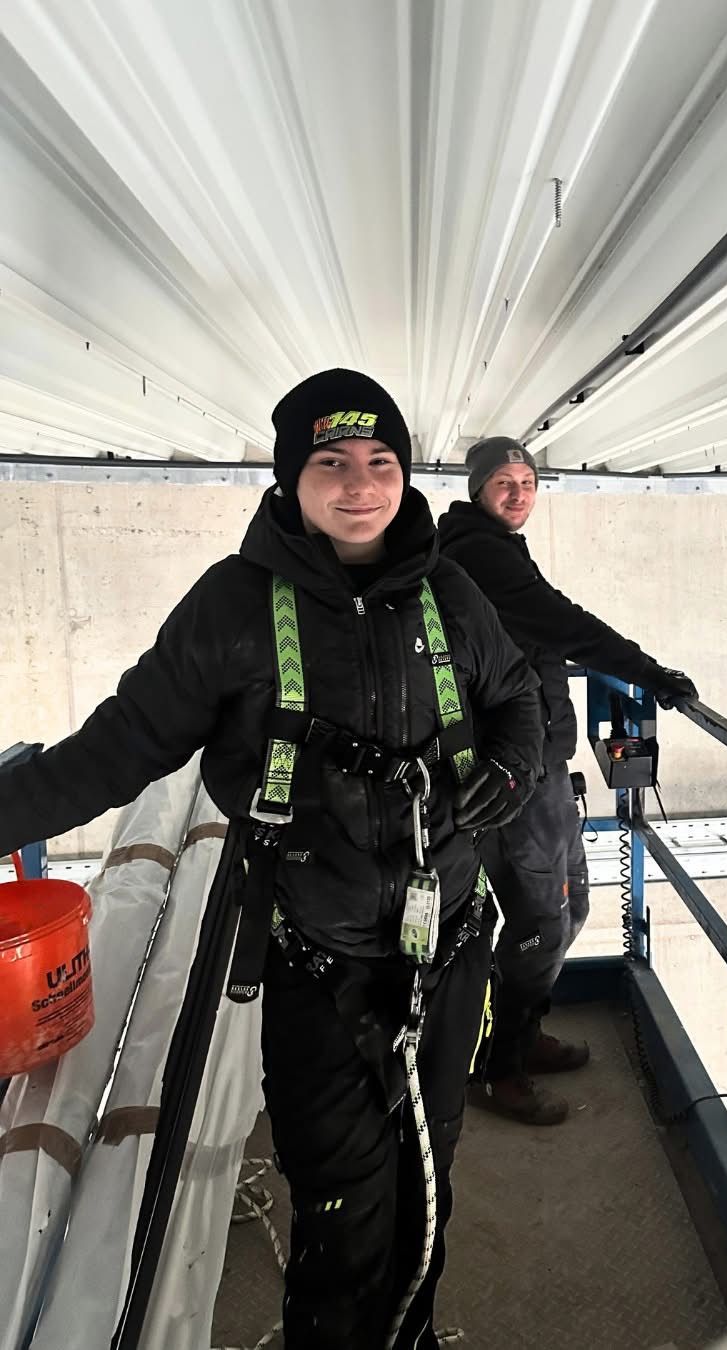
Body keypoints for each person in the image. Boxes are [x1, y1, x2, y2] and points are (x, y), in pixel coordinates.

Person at [0, 372, 543, 1349]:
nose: (359, 485)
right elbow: (115, 749)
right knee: (343, 1208)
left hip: (449, 945)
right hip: (317, 966)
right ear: (292, 477)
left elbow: (517, 700)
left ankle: (409, 1335)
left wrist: (509, 770)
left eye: (379, 462)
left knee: (429, 1175)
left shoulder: (448, 595)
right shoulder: (236, 611)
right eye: (330, 464)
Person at [437, 436, 697, 1126]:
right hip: (512, 771)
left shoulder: (495, 548)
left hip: (541, 764)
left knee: (570, 907)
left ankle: (521, 1035)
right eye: (504, 482)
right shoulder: (477, 554)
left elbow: (542, 631)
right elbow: (563, 624)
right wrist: (650, 673)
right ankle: (500, 1068)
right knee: (540, 918)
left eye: (528, 481)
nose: (518, 492)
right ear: (477, 489)